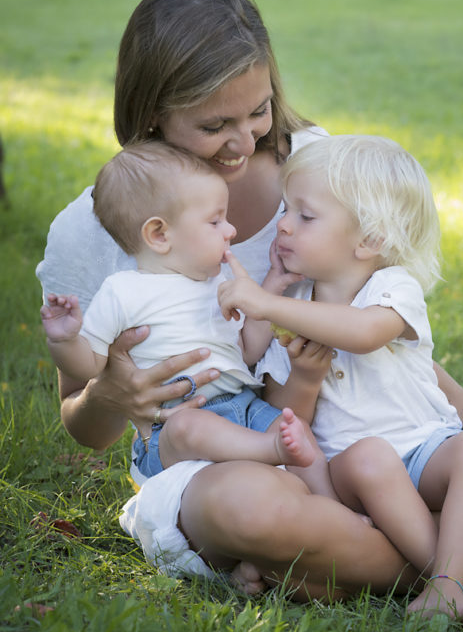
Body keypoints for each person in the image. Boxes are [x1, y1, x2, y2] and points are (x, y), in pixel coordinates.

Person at [36, 0, 463, 605]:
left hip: (368, 449)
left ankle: (351, 561)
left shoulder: (317, 170)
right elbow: (84, 424)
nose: (244, 142)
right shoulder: (96, 227)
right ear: (151, 112)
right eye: (214, 123)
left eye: (257, 111)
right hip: (229, 465)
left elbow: (366, 320)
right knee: (254, 509)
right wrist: (109, 392)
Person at [219, 134, 463, 622]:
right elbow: (286, 416)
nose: (283, 225)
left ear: (370, 241)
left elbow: (366, 332)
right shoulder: (291, 307)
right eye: (286, 209)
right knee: (372, 456)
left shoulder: (392, 287)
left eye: (304, 216)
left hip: (424, 451)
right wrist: (301, 367)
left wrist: (267, 302)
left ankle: (448, 587)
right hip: (347, 475)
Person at [39, 141, 328, 485]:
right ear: (160, 235)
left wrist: (272, 285)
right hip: (173, 428)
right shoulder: (122, 292)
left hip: (242, 406)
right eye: (215, 221)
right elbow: (88, 366)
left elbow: (247, 348)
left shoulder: (217, 281)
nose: (230, 231)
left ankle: (334, 505)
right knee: (191, 427)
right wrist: (65, 339)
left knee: (295, 428)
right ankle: (270, 451)